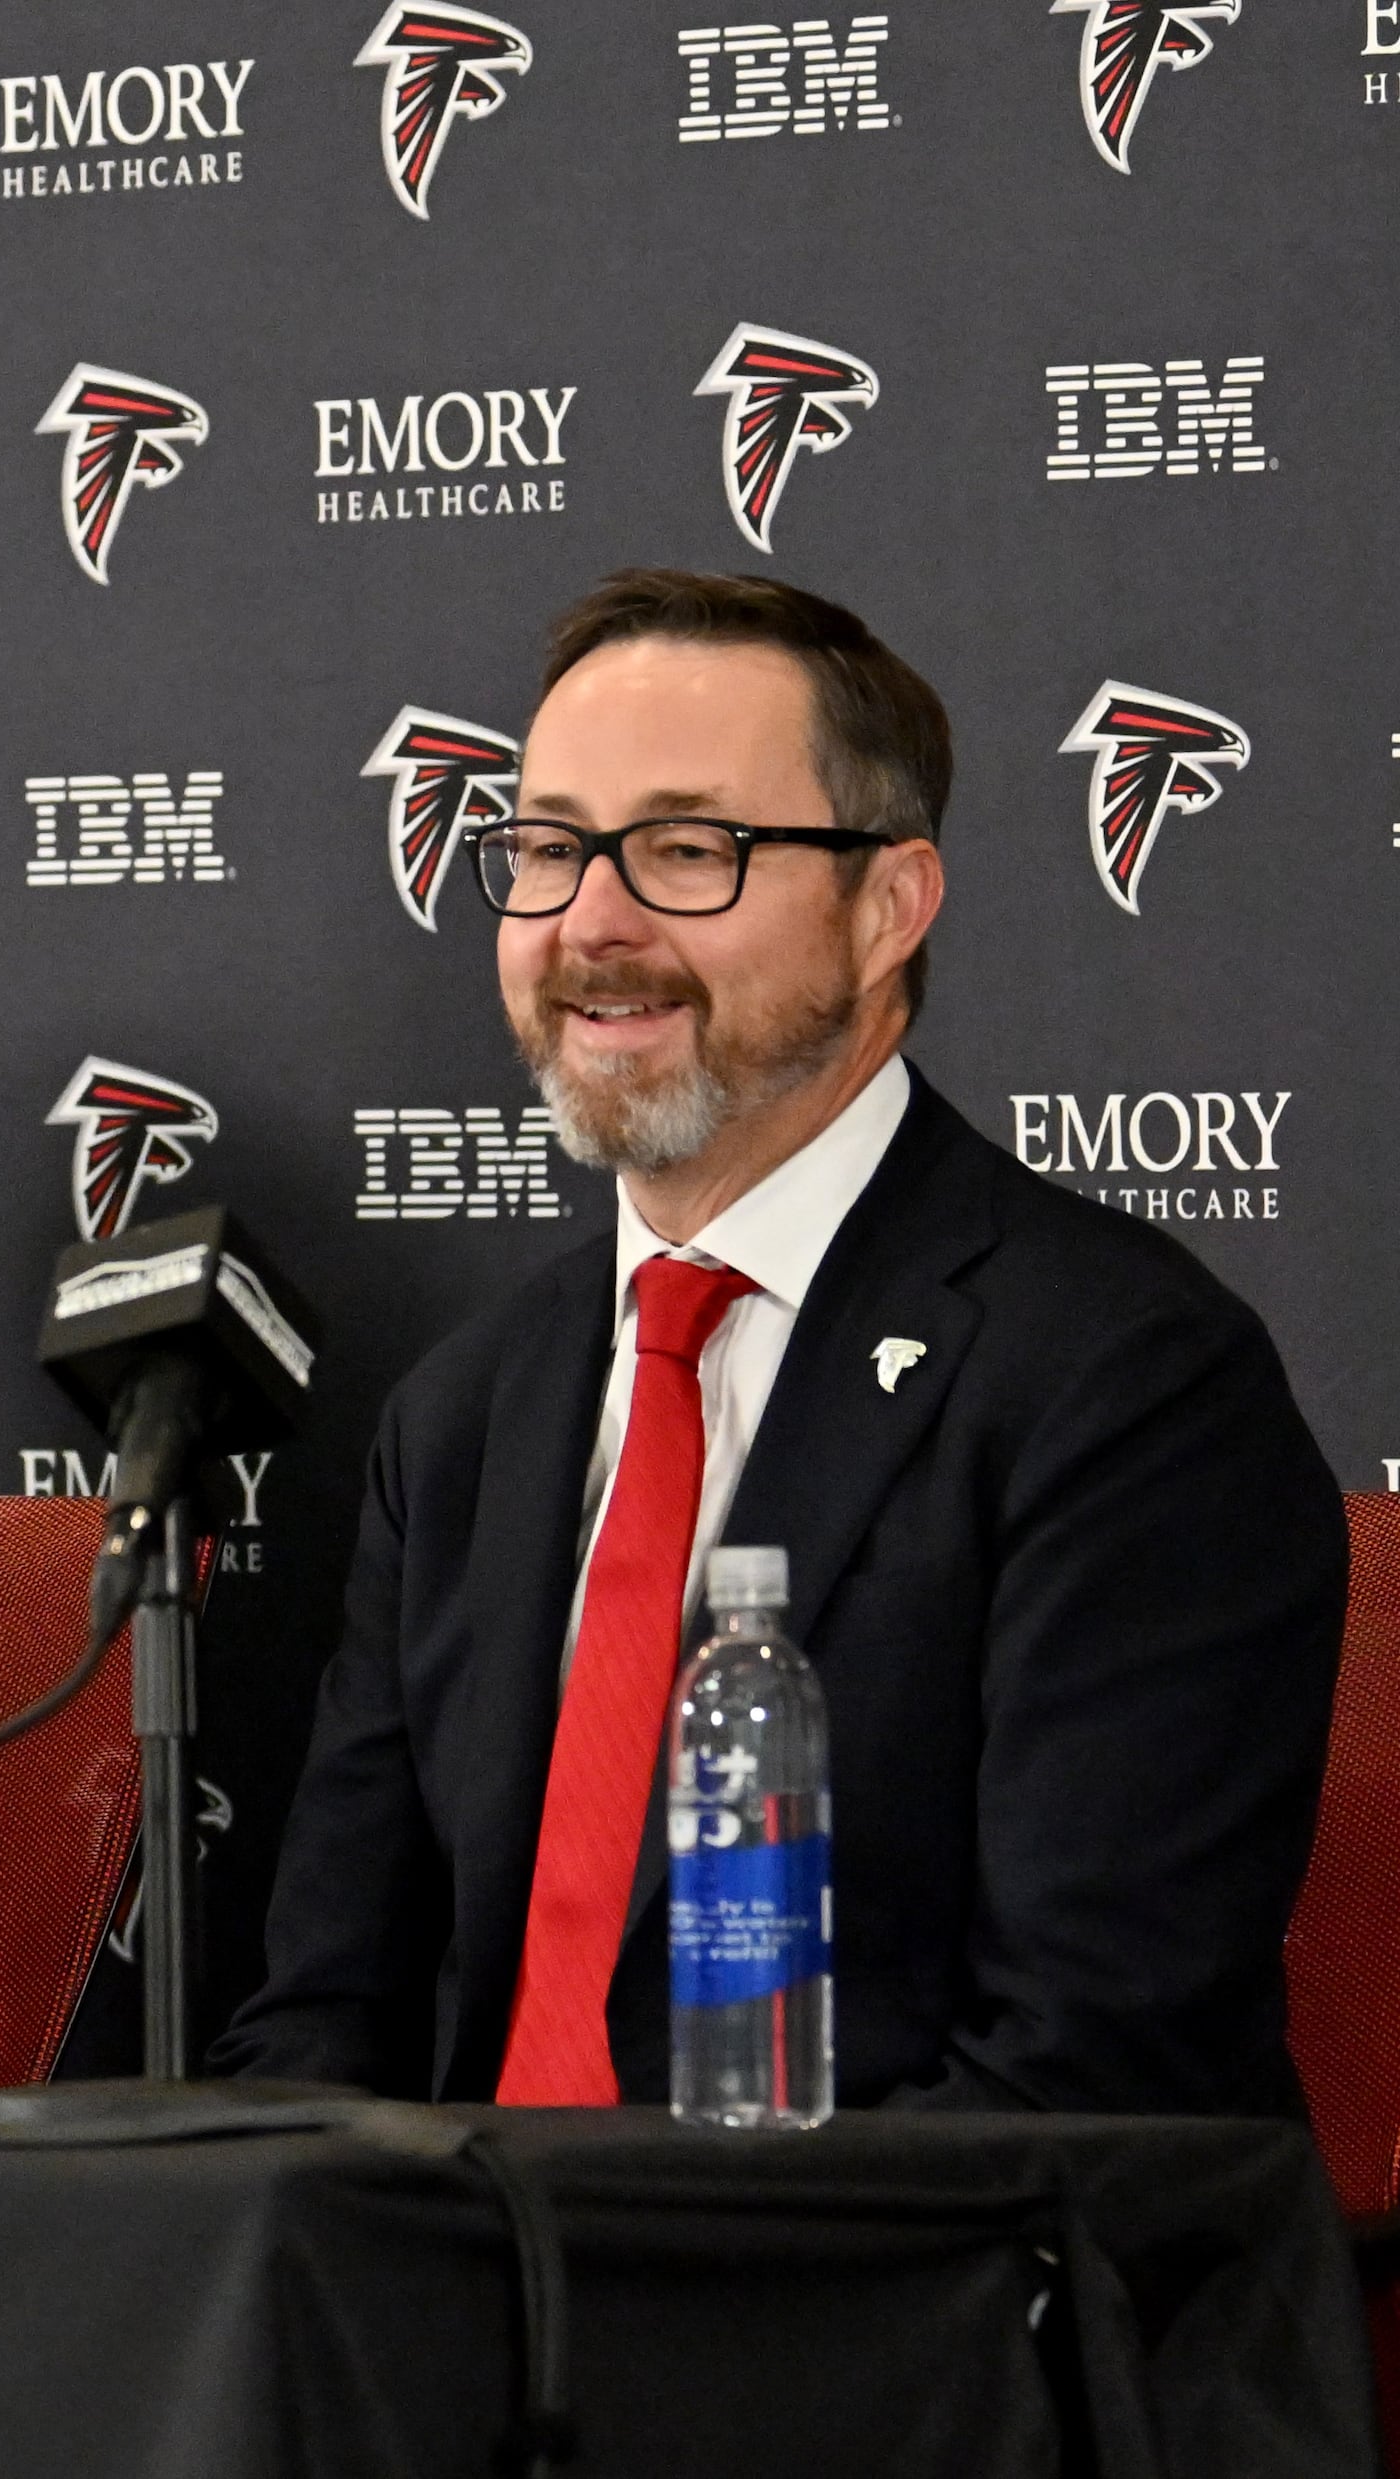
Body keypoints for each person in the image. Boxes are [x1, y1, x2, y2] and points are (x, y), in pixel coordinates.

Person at [214, 570, 1345, 2115]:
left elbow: (1092, 2068)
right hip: (455, 2309)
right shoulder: (467, 1414)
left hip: (892, 2313)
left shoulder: (1124, 1378)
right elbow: (323, 2022)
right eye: (547, 848)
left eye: (688, 849)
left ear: (889, 906)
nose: (590, 923)